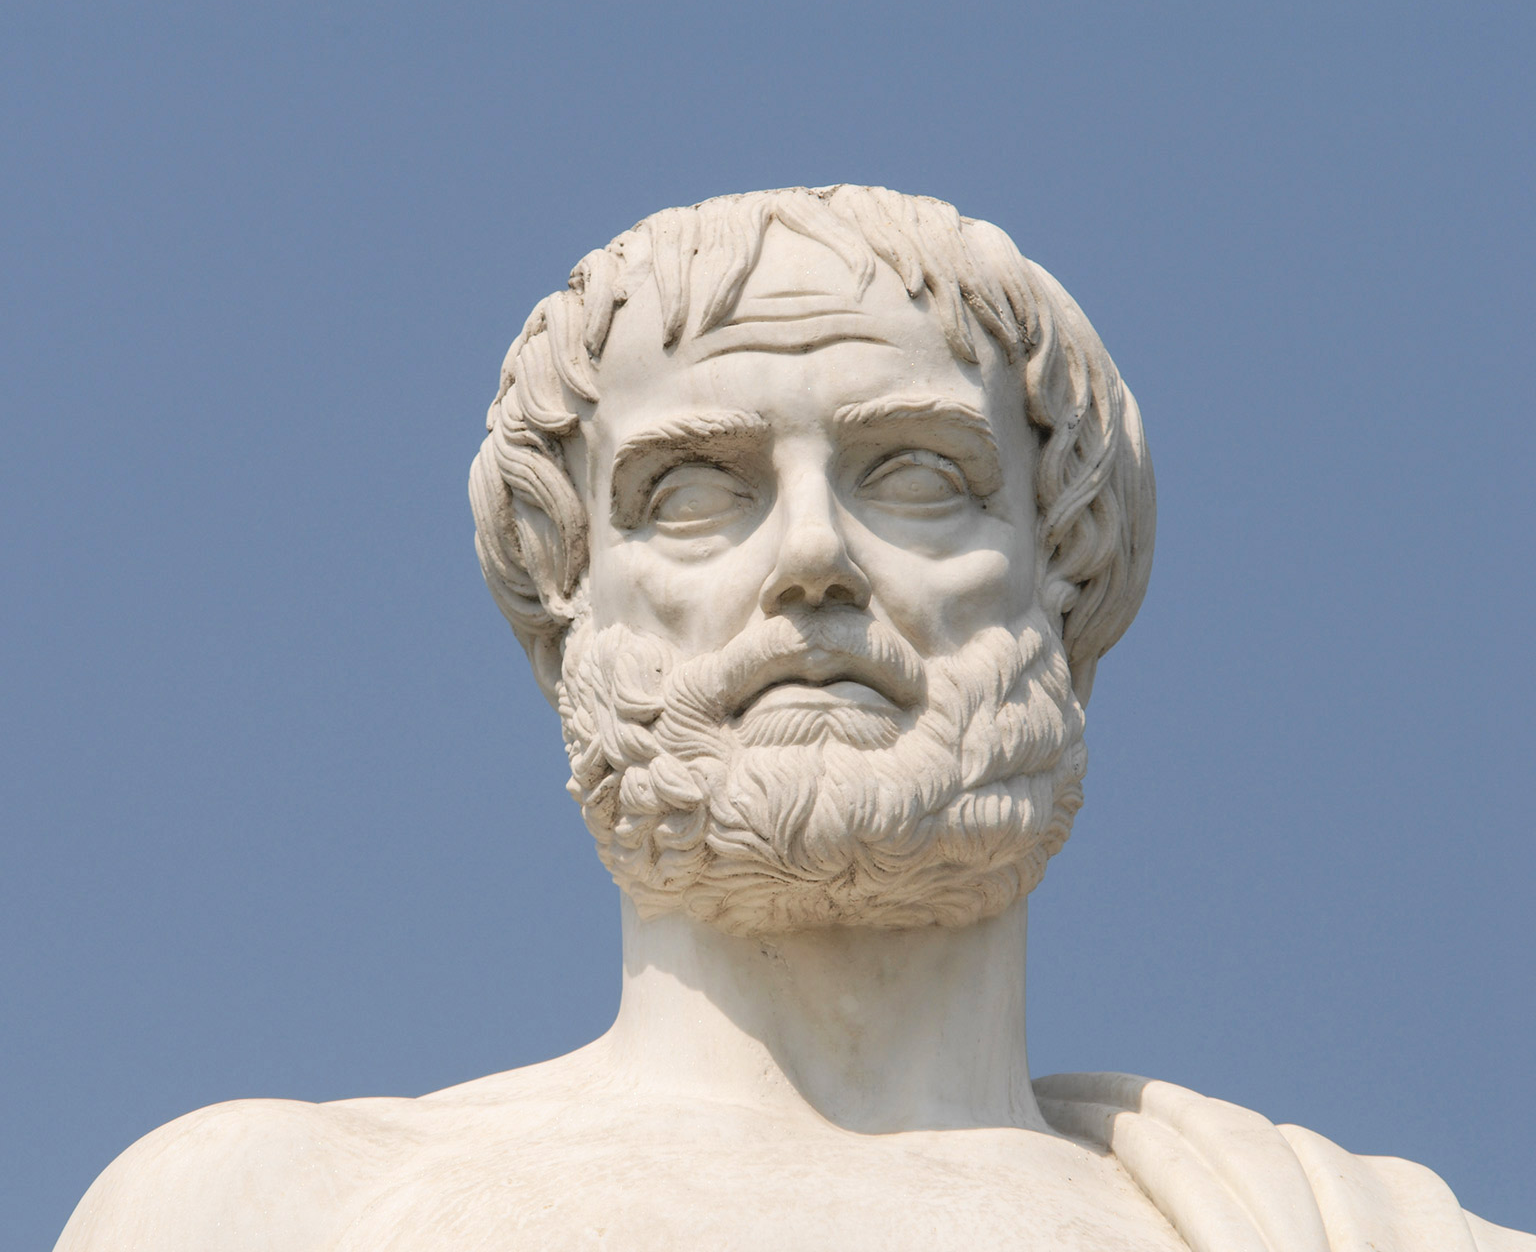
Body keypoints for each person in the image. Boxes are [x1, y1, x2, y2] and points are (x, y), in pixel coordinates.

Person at [56, 186, 1532, 1251]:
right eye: (695, 493)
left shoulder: (1358, 1237)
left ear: (1064, 574)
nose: (815, 556)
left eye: (917, 477)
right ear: (568, 605)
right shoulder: (276, 1214)